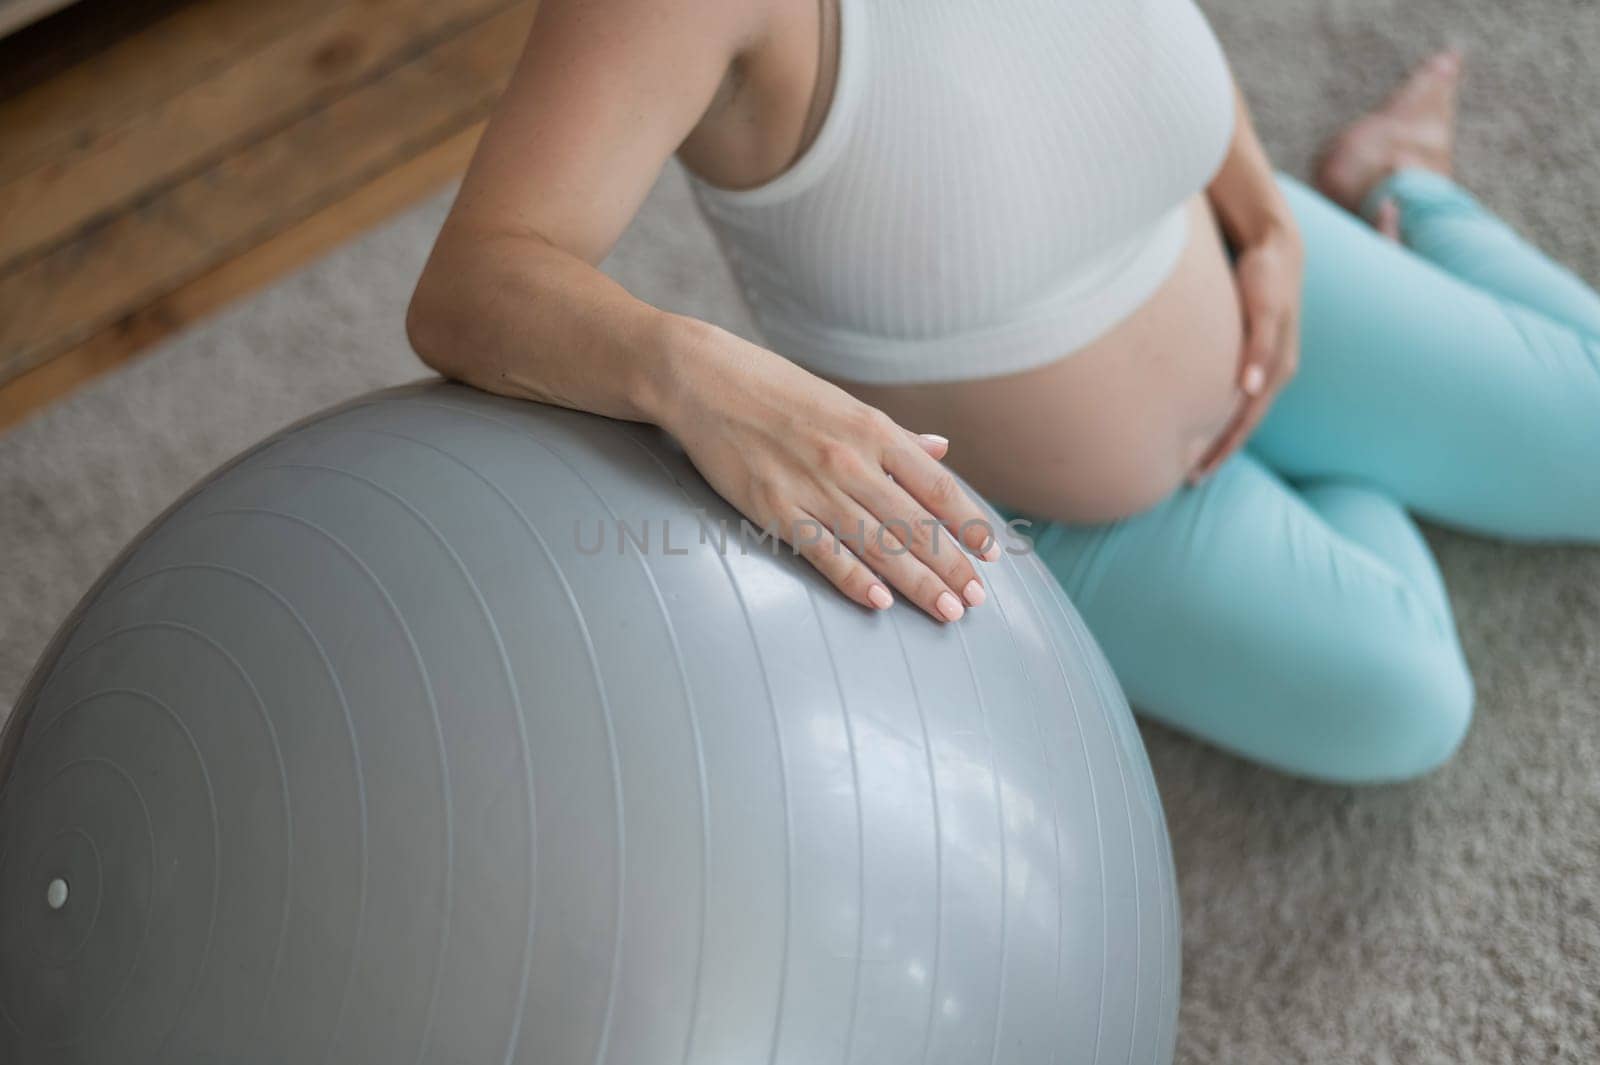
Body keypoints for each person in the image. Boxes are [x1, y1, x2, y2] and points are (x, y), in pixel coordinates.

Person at [405, 0, 1600, 783]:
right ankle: (1357, 393)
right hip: (1044, 510)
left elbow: (1136, 41)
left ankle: (1389, 183)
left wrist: (1265, 216)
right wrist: (692, 373)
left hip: (1254, 277)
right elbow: (471, 285)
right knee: (1402, 705)